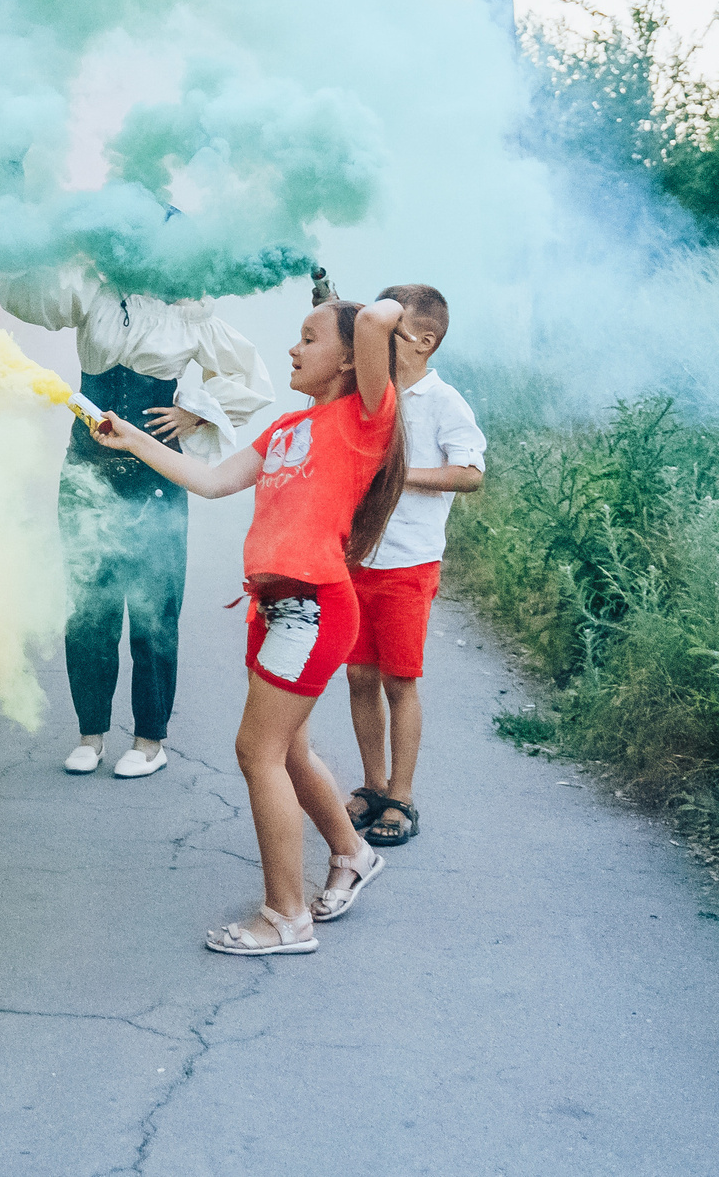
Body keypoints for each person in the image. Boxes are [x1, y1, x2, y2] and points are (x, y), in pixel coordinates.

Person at [90, 296, 405, 956]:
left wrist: (356, 303)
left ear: (350, 359)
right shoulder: (286, 429)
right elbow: (207, 479)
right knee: (287, 750)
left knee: (255, 751)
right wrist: (133, 438)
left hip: (314, 608)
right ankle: (352, 853)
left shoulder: (362, 421)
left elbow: (377, 320)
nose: (292, 349)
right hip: (274, 609)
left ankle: (286, 916)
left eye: (309, 338)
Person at [0, 269, 269, 779]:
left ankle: (149, 740)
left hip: (156, 474)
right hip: (87, 465)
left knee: (154, 608)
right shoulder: (94, 290)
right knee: (87, 605)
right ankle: (90, 734)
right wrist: (24, 251)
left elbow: (251, 378)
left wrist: (195, 413)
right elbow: (28, 300)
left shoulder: (192, 314)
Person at [342, 284, 485, 849]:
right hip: (357, 558)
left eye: (385, 332)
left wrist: (400, 475)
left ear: (423, 342)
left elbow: (470, 472)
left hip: (408, 565)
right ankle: (373, 786)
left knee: (400, 681)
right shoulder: (369, 394)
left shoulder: (444, 402)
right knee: (358, 676)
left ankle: (401, 796)